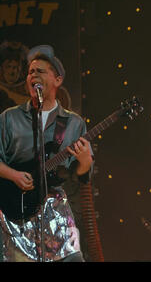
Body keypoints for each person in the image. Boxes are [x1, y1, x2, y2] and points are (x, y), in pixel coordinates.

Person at [0, 45, 94, 262]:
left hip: (54, 211)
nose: (33, 75)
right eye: (30, 72)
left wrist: (84, 160)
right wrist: (14, 175)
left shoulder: (72, 123)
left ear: (57, 80)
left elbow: (82, 174)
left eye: (40, 71)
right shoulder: (9, 119)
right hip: (14, 212)